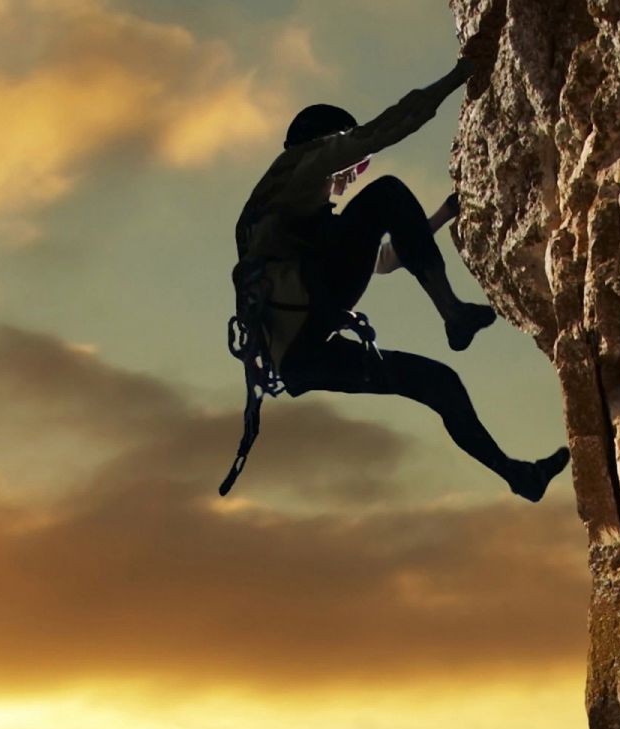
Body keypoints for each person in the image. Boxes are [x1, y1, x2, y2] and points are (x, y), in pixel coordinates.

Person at [220, 33, 570, 502]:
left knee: (438, 382)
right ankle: (451, 313)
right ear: (330, 145)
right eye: (351, 162)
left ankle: (517, 475)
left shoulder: (283, 213)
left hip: (303, 359)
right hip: (311, 313)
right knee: (386, 194)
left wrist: (445, 214)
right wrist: (461, 74)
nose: (352, 174)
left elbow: (382, 262)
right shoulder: (300, 169)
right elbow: (387, 128)